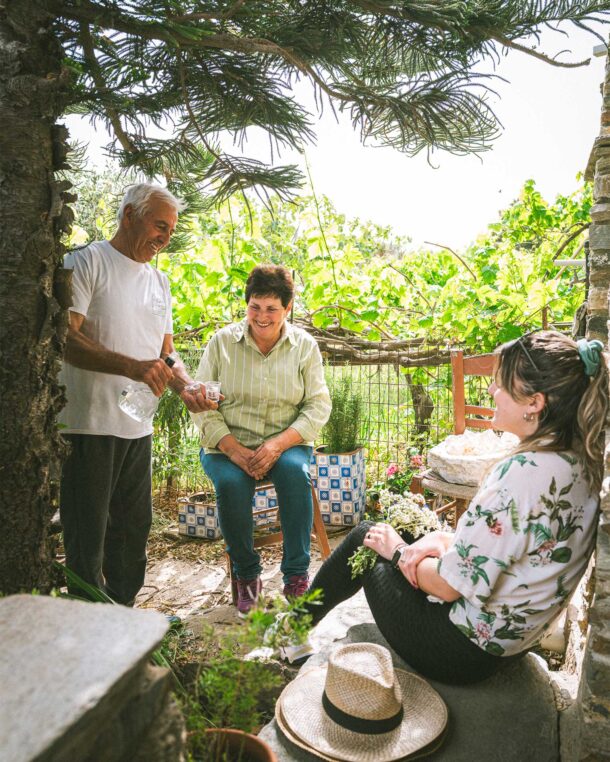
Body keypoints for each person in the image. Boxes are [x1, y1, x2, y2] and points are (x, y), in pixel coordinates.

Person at [292, 331, 608, 683]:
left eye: (501, 385)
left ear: (534, 402)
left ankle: (291, 630)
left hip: (459, 651)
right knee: (413, 531)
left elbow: (447, 587)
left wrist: (398, 552)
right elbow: (501, 544)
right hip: (507, 642)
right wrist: (438, 543)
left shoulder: (522, 474)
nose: (491, 392)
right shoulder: (580, 457)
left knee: (369, 535)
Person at [59, 183, 216, 606]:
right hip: (87, 424)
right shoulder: (87, 262)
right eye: (158, 225)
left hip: (137, 425)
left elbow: (166, 355)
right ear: (129, 215)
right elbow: (65, 340)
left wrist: (187, 388)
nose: (165, 237)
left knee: (132, 532)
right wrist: (132, 366)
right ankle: (88, 626)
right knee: (87, 536)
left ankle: (121, 614)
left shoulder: (159, 282)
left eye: (170, 230)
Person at [191, 265, 331, 615]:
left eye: (271, 308)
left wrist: (277, 445)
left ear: (287, 309)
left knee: (294, 474)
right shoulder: (222, 343)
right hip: (226, 445)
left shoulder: (304, 346)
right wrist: (233, 449)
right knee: (231, 485)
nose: (262, 316)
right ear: (247, 305)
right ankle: (247, 574)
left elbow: (318, 404)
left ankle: (296, 575)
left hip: (286, 442)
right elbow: (201, 406)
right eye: (255, 307)